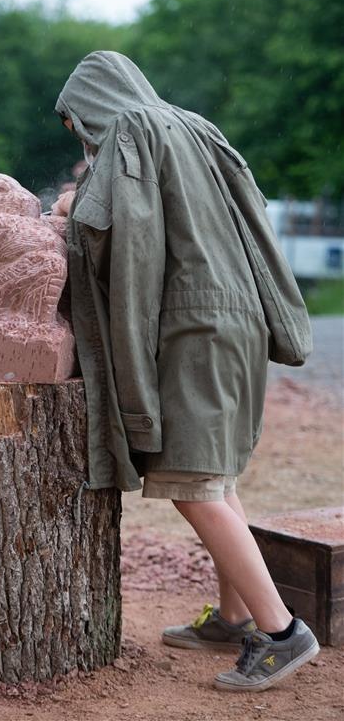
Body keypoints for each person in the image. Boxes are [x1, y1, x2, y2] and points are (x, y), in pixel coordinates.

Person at [54, 50, 319, 692]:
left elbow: (123, 229)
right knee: (217, 475)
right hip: (237, 316)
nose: (82, 138)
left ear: (93, 104)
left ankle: (281, 632)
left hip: (194, 326)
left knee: (190, 483)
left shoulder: (131, 130)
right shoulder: (192, 125)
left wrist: (71, 208)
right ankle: (232, 616)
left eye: (77, 125)